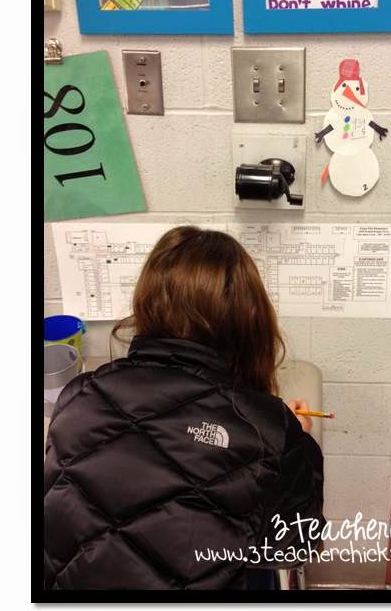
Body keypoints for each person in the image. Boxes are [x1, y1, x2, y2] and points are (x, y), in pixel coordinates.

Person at [44, 226, 324, 590]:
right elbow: (294, 547)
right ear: (248, 321)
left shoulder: (77, 395)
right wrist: (291, 438)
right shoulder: (270, 430)